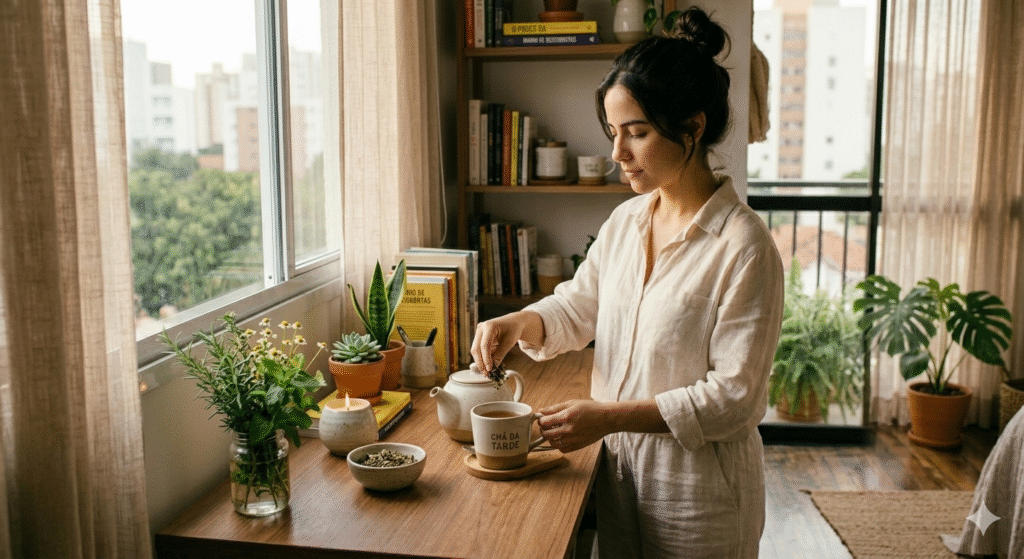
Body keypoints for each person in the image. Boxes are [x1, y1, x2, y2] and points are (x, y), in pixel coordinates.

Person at [469, 7, 784, 558]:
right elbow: (579, 305)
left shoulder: (744, 245)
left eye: (636, 133)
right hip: (619, 476)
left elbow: (735, 398)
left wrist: (609, 416)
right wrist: (523, 320)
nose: (617, 154)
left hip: (700, 496)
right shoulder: (627, 221)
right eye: (614, 133)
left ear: (692, 125)